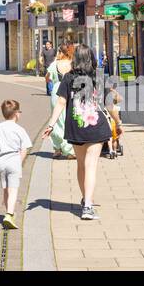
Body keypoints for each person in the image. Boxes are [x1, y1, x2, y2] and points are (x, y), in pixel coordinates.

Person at [41, 44, 112, 220]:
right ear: (91, 58)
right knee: (91, 165)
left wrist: (51, 125)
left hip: (75, 127)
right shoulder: (99, 76)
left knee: (81, 165)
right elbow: (108, 104)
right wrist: (118, 122)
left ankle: (85, 200)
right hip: (95, 125)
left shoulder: (68, 77)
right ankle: (87, 205)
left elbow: (60, 103)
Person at [0, 99, 33, 230]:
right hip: (13, 160)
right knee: (13, 189)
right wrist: (20, 161)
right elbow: (25, 148)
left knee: (5, 188)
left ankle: (8, 212)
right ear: (17, 113)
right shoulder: (19, 129)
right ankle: (9, 214)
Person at [44, 41, 76, 159]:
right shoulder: (73, 63)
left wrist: (51, 79)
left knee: (56, 119)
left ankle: (57, 148)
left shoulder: (55, 64)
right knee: (68, 119)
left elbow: (47, 78)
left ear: (61, 52)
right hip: (70, 90)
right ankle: (70, 150)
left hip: (57, 91)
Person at [103, 81, 124, 159]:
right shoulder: (116, 107)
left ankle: (111, 150)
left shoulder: (105, 106)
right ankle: (114, 150)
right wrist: (114, 92)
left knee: (109, 137)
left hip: (107, 122)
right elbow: (120, 99)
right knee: (115, 138)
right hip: (114, 123)